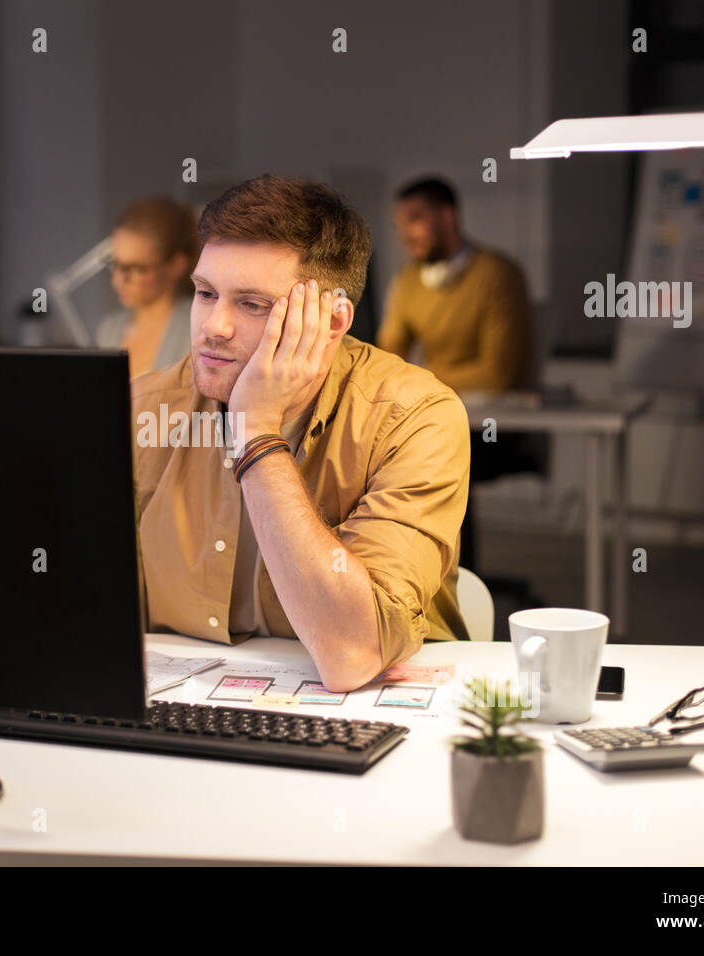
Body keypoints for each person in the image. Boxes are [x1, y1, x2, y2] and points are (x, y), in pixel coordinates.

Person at [132, 175, 471, 693]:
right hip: (190, 712)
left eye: (253, 304)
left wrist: (257, 433)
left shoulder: (416, 416)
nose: (213, 327)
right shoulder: (142, 410)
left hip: (379, 721)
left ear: (333, 322)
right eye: (205, 293)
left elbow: (352, 655)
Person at [376, 176, 539, 570]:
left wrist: (421, 375)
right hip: (436, 416)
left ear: (448, 217)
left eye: (415, 219)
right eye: (400, 224)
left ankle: (456, 583)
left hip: (493, 428)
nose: (405, 234)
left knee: (430, 457)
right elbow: (385, 361)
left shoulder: (498, 275)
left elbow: (495, 374)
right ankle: (413, 579)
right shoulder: (409, 281)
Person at [96, 197, 197, 378]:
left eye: (137, 269)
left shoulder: (197, 329)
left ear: (176, 266)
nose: (119, 279)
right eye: (116, 264)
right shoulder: (109, 330)